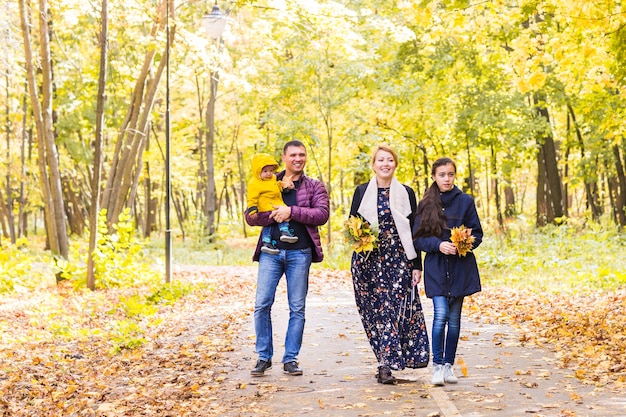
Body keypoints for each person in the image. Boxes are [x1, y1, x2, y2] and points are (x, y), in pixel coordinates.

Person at [245, 140, 330, 377]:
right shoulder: (267, 180)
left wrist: (291, 212)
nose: (298, 159)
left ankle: (290, 358)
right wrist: (274, 216)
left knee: (297, 307)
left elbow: (322, 214)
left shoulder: (314, 186)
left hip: (299, 253)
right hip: (270, 254)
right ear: (284, 157)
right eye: (293, 155)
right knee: (262, 304)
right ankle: (263, 356)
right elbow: (251, 217)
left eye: (302, 155)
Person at [348, 144, 430, 385]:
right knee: (376, 312)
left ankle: (389, 362)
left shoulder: (406, 192)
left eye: (389, 160)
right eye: (380, 160)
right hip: (369, 260)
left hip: (399, 260)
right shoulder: (361, 191)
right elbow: (352, 224)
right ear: (373, 165)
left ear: (395, 164)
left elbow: (414, 230)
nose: (385, 164)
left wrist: (417, 265)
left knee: (394, 311)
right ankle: (384, 360)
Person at [412, 157, 483, 386]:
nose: (446, 178)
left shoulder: (465, 201)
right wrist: (439, 245)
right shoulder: (425, 205)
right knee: (440, 314)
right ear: (434, 176)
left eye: (450, 174)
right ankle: (437, 365)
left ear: (455, 176)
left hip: (460, 268)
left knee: (454, 320)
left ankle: (449, 365)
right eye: (442, 174)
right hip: (436, 268)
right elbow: (418, 239)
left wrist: (464, 243)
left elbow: (478, 234)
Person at [246, 153, 298, 255]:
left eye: (271, 170)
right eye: (265, 171)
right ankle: (277, 235)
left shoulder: (273, 178)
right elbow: (251, 198)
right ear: (258, 171)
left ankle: (274, 238)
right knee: (276, 218)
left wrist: (284, 186)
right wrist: (252, 210)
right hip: (265, 207)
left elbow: (276, 187)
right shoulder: (254, 183)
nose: (269, 173)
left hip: (275, 204)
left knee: (273, 221)